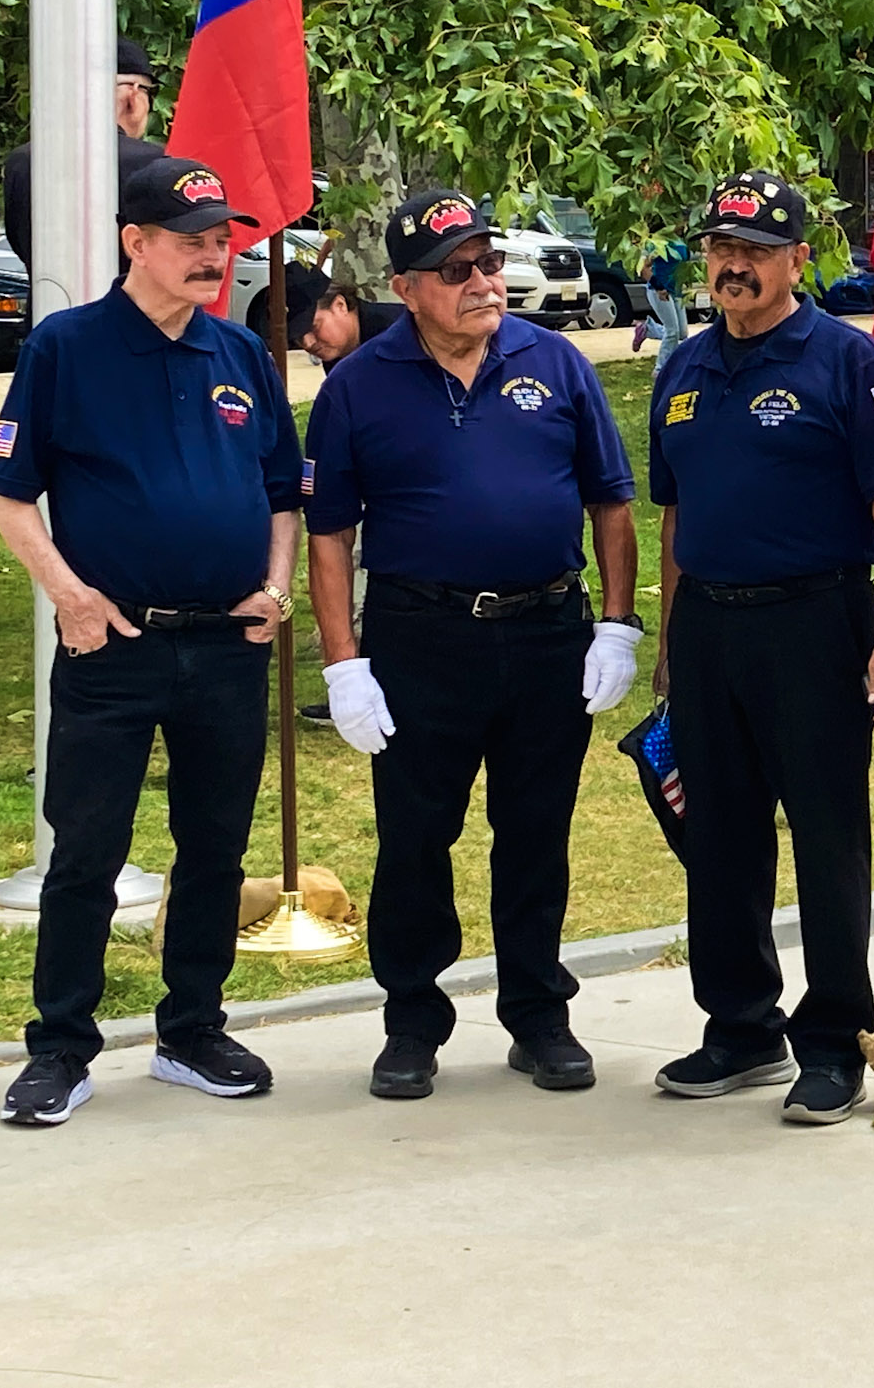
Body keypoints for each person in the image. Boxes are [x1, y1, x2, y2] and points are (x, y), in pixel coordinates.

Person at [302, 189, 641, 1102]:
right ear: (408, 287)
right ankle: (412, 1020)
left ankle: (538, 1013)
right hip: (423, 637)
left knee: (535, 832)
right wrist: (343, 663)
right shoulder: (357, 385)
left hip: (545, 633)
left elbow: (612, 497)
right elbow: (328, 533)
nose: (486, 282)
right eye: (459, 270)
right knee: (417, 838)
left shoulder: (556, 362)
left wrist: (617, 621)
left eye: (489, 263)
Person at [0, 157, 301, 1126]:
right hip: (112, 645)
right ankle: (60, 1047)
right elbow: (7, 492)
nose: (215, 258)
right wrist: (69, 596)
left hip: (226, 647)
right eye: (193, 240)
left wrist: (278, 587)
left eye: (222, 242)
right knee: (86, 850)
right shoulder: (66, 350)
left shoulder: (239, 355)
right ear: (137, 242)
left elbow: (285, 492)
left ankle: (192, 1028)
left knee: (214, 847)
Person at [647, 170, 874, 1126]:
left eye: (756, 252)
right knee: (719, 832)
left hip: (817, 621)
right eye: (722, 249)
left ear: (800, 258)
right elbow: (675, 515)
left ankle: (835, 1038)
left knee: (827, 833)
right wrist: (672, 642)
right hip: (711, 624)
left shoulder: (848, 363)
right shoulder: (681, 368)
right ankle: (741, 1024)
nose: (735, 266)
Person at [3, 37, 170, 275]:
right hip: (129, 309)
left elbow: (20, 242)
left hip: (46, 305)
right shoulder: (154, 163)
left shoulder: (23, 160)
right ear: (134, 95)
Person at [285, 266, 396, 369]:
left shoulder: (397, 333)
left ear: (340, 305)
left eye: (314, 327)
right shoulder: (334, 353)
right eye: (297, 336)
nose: (307, 344)